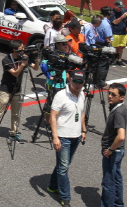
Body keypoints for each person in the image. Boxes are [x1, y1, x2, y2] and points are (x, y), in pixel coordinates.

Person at [47, 70, 87, 207]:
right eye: (75, 81)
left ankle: (52, 186)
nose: (77, 84)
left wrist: (83, 129)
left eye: (80, 82)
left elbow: (82, 113)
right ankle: (65, 197)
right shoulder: (61, 95)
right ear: (69, 80)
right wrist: (55, 137)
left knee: (64, 164)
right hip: (63, 136)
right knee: (64, 167)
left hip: (76, 135)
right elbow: (53, 116)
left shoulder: (82, 94)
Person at [0, 40, 37, 144]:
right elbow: (15, 74)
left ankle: (14, 132)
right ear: (15, 50)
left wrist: (36, 58)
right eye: (21, 48)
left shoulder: (23, 57)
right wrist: (23, 65)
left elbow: (36, 68)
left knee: (15, 114)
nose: (23, 49)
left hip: (17, 89)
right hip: (6, 89)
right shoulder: (6, 60)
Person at [101, 82, 127, 207]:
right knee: (116, 179)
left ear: (121, 97)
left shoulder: (118, 112)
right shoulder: (119, 108)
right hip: (117, 152)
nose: (110, 96)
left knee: (108, 183)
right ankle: (118, 204)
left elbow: (121, 136)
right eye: (109, 93)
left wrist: (110, 149)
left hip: (113, 152)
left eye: (113, 95)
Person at [110, 0, 127, 66]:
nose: (120, 8)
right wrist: (122, 17)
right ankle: (113, 59)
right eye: (119, 7)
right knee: (115, 47)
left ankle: (119, 59)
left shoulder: (124, 10)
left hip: (123, 32)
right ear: (115, 6)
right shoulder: (112, 12)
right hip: (115, 32)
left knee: (121, 47)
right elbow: (115, 22)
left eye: (121, 7)